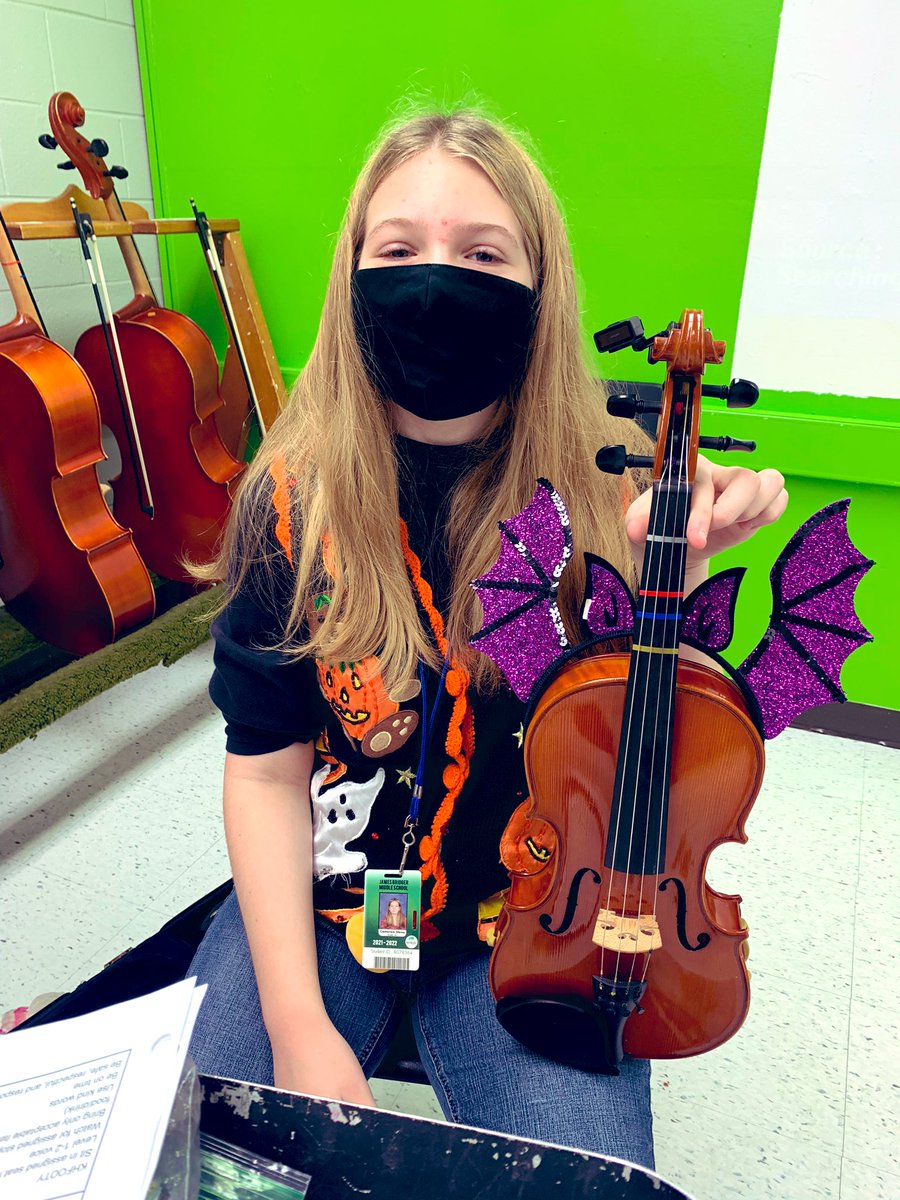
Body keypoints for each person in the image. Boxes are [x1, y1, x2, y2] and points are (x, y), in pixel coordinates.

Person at [187, 109, 788, 1168]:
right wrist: (294, 1023)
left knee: (585, 1184)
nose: (434, 279)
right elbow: (268, 774)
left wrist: (667, 594)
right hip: (332, 896)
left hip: (536, 913)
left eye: (481, 252)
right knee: (199, 1153)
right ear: (352, 273)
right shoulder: (291, 492)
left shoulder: (613, 477)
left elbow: (638, 768)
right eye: (398, 247)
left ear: (538, 286)